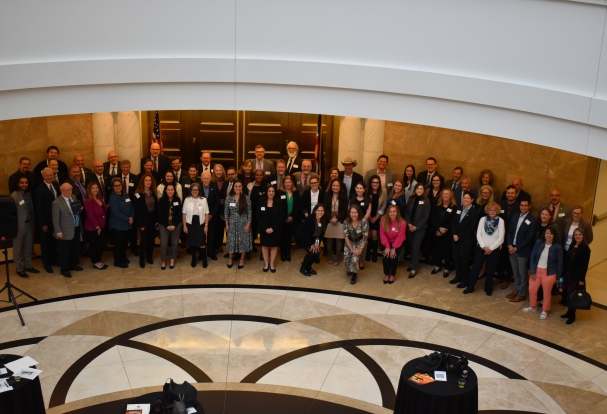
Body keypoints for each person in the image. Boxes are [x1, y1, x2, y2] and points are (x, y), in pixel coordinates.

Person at [524, 227, 563, 320]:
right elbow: (532, 257)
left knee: (546, 292)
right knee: (532, 289)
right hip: (537, 271)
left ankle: (545, 310)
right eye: (547, 233)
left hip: (550, 273)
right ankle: (533, 307)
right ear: (544, 234)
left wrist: (558, 276)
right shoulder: (539, 243)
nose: (548, 235)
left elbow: (559, 263)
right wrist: (532, 271)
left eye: (551, 234)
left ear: (554, 235)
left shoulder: (558, 247)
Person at [465, 202, 505, 295]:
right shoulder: (483, 219)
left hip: (494, 250)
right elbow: (478, 234)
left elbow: (501, 238)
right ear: (487, 210)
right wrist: (484, 247)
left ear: (497, 211)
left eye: (494, 210)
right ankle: (470, 287)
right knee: (476, 268)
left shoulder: (501, 221)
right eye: (490, 210)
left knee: (490, 270)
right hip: (481, 248)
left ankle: (488, 288)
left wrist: (491, 249)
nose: (492, 212)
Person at [506, 199, 538, 303]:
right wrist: (510, 245)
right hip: (512, 249)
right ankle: (517, 290)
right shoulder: (515, 216)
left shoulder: (532, 220)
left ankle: (522, 294)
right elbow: (510, 231)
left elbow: (529, 238)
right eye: (521, 205)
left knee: (523, 274)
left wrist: (517, 248)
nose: (523, 207)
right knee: (515, 273)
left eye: (525, 205)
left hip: (522, 251)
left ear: (529, 206)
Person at [52, 183, 83, 278]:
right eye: (66, 190)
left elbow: (75, 212)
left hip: (75, 228)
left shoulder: (73, 197)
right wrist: (58, 232)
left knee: (75, 249)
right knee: (64, 252)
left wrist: (80, 209)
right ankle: (64, 270)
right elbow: (55, 219)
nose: (68, 191)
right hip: (64, 231)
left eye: (70, 189)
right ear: (61, 191)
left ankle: (73, 265)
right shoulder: (56, 202)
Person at [560, 229, 591, 325]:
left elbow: (584, 266)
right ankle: (569, 312)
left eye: (580, 234)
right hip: (568, 274)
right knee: (568, 294)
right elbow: (567, 260)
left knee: (573, 296)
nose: (577, 236)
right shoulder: (572, 246)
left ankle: (572, 315)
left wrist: (581, 279)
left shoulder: (585, 249)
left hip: (576, 277)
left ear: (583, 236)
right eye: (576, 235)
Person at [34, 168, 60, 273]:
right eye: (47, 175)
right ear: (43, 176)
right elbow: (38, 208)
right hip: (45, 221)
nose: (50, 177)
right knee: (45, 243)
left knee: (54, 242)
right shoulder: (39, 189)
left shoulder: (56, 185)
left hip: (55, 220)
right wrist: (43, 223)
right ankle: (46, 263)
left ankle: (53, 259)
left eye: (51, 175)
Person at [11, 177, 39, 278]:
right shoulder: (14, 196)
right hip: (19, 227)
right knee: (18, 249)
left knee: (28, 247)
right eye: (22, 183)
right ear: (18, 184)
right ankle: (19, 269)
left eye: (26, 183)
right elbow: (12, 215)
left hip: (29, 225)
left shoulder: (28, 194)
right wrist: (15, 229)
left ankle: (28, 266)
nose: (24, 184)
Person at [450, 191, 478, 287]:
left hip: (465, 241)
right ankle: (458, 276)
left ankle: (465, 280)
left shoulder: (474, 212)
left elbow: (471, 228)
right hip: (455, 239)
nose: (465, 200)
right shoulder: (459, 208)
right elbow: (454, 222)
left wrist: (459, 236)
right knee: (456, 259)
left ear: (472, 200)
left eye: (468, 198)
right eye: (464, 198)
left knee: (464, 261)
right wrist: (454, 234)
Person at [495, 185, 520, 289]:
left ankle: (507, 278)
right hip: (501, 235)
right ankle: (500, 276)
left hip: (513, 237)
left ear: (515, 194)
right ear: (506, 194)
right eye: (508, 193)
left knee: (510, 259)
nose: (510, 195)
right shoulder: (501, 204)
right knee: (501, 257)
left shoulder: (519, 206)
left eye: (512, 193)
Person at [224, 181, 252, 269]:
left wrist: (248, 225)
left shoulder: (246, 198)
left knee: (243, 241)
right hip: (232, 223)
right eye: (236, 186)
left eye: (240, 186)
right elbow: (226, 212)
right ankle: (230, 258)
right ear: (233, 187)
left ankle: (242, 259)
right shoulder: (229, 198)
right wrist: (227, 224)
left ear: (242, 187)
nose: (238, 188)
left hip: (243, 223)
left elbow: (249, 213)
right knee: (231, 241)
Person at [405, 183, 431, 278]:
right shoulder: (411, 199)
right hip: (410, 226)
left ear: (423, 190)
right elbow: (406, 212)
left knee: (416, 247)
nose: (419, 190)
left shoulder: (426, 201)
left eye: (421, 189)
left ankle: (414, 269)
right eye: (417, 188)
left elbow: (426, 217)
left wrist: (417, 226)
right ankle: (413, 263)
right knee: (411, 246)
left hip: (420, 228)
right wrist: (409, 224)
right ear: (415, 190)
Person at [133, 173, 158, 268]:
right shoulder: (137, 195)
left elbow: (156, 208)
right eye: (146, 180)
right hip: (143, 221)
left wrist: (156, 220)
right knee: (143, 241)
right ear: (142, 182)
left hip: (152, 220)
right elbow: (137, 211)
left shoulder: (153, 193)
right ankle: (141, 260)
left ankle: (149, 258)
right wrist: (140, 224)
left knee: (151, 240)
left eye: (150, 180)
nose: (148, 182)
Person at [431, 188, 457, 278]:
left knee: (447, 251)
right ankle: (437, 266)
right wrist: (439, 229)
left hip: (448, 233)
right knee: (438, 249)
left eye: (447, 194)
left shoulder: (454, 207)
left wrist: (444, 230)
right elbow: (432, 219)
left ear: (451, 196)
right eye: (443, 194)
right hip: (438, 232)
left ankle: (446, 268)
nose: (445, 195)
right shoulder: (437, 206)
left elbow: (454, 221)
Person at [182, 183, 209, 268]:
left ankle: (204, 259)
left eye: (196, 190)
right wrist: (184, 226)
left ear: (199, 191)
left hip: (200, 223)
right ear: (190, 191)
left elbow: (207, 213)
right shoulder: (187, 200)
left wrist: (206, 225)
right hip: (190, 223)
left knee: (202, 243)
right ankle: (193, 258)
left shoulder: (203, 200)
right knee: (192, 243)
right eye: (193, 190)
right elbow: (184, 213)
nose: (195, 191)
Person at [108, 178, 134, 268]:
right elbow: (116, 212)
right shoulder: (112, 197)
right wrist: (128, 219)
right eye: (116, 186)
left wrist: (132, 217)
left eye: (119, 185)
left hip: (127, 224)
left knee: (125, 242)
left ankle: (123, 257)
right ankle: (117, 261)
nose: (118, 187)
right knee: (118, 244)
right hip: (117, 225)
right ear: (113, 187)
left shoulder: (125, 194)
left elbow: (131, 206)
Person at [258, 186, 284, 272]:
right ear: (266, 192)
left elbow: (281, 217)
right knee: (264, 245)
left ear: (275, 192)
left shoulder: (279, 202)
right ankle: (266, 263)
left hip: (275, 229)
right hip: (264, 229)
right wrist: (265, 228)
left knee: (274, 246)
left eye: (273, 191)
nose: (271, 193)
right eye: (269, 191)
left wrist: (273, 228)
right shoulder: (261, 201)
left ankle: (272, 264)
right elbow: (258, 216)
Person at [83, 182, 108, 270]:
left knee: (101, 244)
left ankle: (98, 260)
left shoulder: (99, 198)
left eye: (96, 188)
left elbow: (103, 209)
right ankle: (95, 262)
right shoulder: (88, 201)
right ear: (89, 190)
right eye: (93, 188)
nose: (95, 190)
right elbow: (90, 215)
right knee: (94, 245)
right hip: (93, 227)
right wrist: (97, 227)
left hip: (102, 226)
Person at [296, 204, 327, 276]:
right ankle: (303, 268)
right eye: (318, 210)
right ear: (315, 211)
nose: (320, 212)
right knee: (312, 252)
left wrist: (317, 244)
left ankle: (309, 266)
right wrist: (311, 244)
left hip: (312, 237)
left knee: (317, 252)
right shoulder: (310, 218)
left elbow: (321, 234)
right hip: (302, 236)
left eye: (322, 211)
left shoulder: (324, 219)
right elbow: (306, 233)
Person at [323, 179, 348, 266]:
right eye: (334, 185)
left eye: (337, 186)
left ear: (340, 187)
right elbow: (324, 208)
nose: (335, 187)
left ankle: (337, 256)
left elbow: (345, 210)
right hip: (329, 220)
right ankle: (329, 256)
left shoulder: (344, 196)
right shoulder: (327, 195)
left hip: (339, 220)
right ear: (331, 186)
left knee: (339, 238)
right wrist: (330, 218)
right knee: (329, 238)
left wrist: (336, 218)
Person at [380, 204, 407, 284]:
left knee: (393, 256)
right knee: (386, 256)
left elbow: (400, 237)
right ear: (388, 213)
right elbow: (382, 235)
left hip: (397, 242)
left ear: (397, 213)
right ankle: (386, 273)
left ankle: (392, 274)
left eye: (394, 212)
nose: (392, 213)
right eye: (390, 212)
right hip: (386, 241)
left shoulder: (402, 223)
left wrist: (394, 248)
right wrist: (387, 247)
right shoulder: (383, 220)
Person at [158, 183, 182, 270]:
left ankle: (172, 259)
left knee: (174, 243)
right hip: (164, 225)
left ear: (174, 191)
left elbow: (180, 213)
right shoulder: (161, 200)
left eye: (172, 190)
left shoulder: (177, 200)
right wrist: (166, 225)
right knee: (163, 244)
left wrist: (174, 225)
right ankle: (163, 260)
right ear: (165, 191)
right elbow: (159, 214)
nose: (170, 191)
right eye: (168, 190)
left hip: (175, 224)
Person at [343, 204, 369, 284]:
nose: (353, 214)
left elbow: (365, 236)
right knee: (347, 258)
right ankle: (349, 268)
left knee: (355, 258)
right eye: (352, 212)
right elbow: (346, 236)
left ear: (359, 213)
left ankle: (354, 275)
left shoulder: (364, 221)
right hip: (349, 241)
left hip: (360, 242)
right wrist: (351, 249)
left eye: (355, 212)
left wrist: (360, 249)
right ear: (349, 213)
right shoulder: (346, 222)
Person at [349, 182, 371, 270]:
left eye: (361, 188)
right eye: (357, 188)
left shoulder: (368, 199)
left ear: (364, 189)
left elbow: (368, 212)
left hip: (363, 223)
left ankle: (361, 261)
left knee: (363, 242)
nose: (359, 190)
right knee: (352, 242)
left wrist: (362, 221)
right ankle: (353, 259)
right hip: (352, 222)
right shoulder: (352, 197)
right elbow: (349, 209)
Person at [365, 175, 387, 263]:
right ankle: (367, 252)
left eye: (377, 182)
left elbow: (384, 204)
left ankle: (374, 252)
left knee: (374, 235)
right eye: (373, 182)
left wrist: (376, 217)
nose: (375, 184)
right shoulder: (367, 191)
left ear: (379, 183)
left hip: (378, 216)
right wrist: (369, 217)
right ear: (370, 183)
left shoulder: (383, 191)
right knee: (368, 235)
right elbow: (365, 204)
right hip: (368, 216)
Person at [278, 176, 301, 262]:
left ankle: (287, 253)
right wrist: (285, 217)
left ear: (292, 183)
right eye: (286, 182)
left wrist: (292, 217)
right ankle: (283, 253)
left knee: (289, 237)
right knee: (282, 237)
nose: (288, 184)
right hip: (282, 219)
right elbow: (279, 206)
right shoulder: (280, 192)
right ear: (283, 183)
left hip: (292, 219)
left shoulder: (296, 192)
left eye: (289, 182)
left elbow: (298, 206)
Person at [200, 171, 220, 261]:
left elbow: (217, 203)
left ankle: (211, 253)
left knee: (211, 235)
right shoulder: (198, 187)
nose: (206, 180)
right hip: (200, 216)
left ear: (210, 179)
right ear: (201, 179)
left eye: (208, 178)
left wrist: (211, 215)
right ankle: (201, 254)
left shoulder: (214, 187)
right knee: (201, 236)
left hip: (212, 216)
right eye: (204, 178)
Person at [248, 169, 268, 258]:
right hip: (252, 212)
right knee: (251, 231)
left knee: (263, 232)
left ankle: (263, 252)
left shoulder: (266, 186)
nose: (259, 176)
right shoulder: (249, 186)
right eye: (257, 175)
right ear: (254, 176)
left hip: (263, 214)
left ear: (263, 176)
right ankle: (250, 247)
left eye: (260, 175)